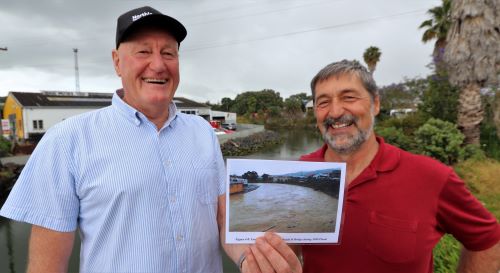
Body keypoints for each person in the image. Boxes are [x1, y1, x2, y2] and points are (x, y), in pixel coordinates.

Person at [0, 6, 259, 273]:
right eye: (143, 52)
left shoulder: (203, 133)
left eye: (168, 53)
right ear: (117, 62)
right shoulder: (67, 141)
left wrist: (248, 259)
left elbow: (221, 218)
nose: (158, 65)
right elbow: (47, 267)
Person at [246, 60, 500, 273]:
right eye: (323, 102)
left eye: (349, 97)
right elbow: (289, 244)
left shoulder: (431, 177)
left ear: (375, 104)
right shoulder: (300, 168)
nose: (335, 111)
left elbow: (488, 241)